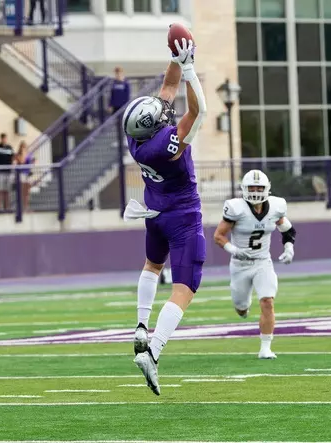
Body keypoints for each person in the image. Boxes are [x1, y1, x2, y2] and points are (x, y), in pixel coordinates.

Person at [122, 36, 206, 395]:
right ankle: (153, 352)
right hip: (183, 216)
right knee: (185, 288)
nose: (163, 112)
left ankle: (141, 324)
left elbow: (168, 87)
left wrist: (175, 57)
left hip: (154, 213)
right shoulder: (165, 146)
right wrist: (190, 70)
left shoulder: (137, 141)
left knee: (152, 265)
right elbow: (197, 112)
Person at [213, 170, 296, 359]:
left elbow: (288, 230)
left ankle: (265, 347)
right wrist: (233, 250)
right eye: (252, 187)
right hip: (239, 265)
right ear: (244, 189)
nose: (256, 191)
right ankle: (244, 307)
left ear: (267, 189)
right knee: (241, 307)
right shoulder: (236, 208)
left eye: (259, 187)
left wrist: (289, 248)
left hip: (262, 262)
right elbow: (218, 236)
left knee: (267, 301)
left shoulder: (275, 207)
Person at [16, 141, 35, 213]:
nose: (24, 148)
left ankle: (26, 207)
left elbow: (32, 162)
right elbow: (22, 161)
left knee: (27, 193)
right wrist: (23, 153)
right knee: (22, 192)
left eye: (25, 146)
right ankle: (21, 208)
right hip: (22, 175)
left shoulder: (29, 154)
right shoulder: (19, 155)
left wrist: (33, 162)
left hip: (28, 174)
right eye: (22, 146)